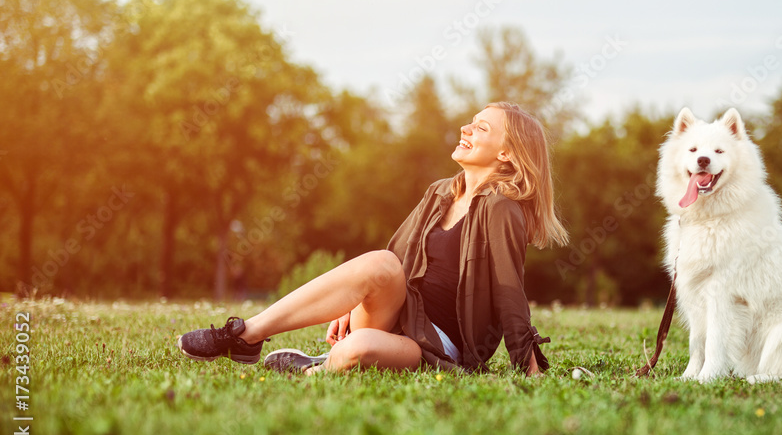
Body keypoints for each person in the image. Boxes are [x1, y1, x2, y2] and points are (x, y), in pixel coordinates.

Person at [177, 102, 569, 376]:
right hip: (396, 314)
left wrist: (527, 366)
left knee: (355, 350)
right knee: (382, 261)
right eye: (471, 121)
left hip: (438, 345)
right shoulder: (439, 192)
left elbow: (509, 291)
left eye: (481, 128)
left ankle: (314, 368)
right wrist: (348, 306)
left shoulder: (502, 209)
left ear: (507, 156)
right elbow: (390, 261)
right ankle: (245, 336)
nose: (466, 128)